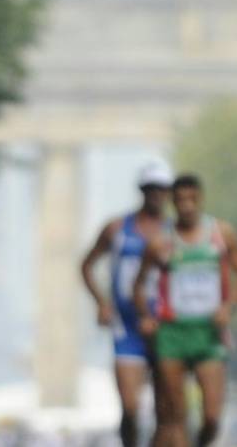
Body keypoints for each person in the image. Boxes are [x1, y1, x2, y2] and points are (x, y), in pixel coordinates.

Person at [135, 173, 237, 447]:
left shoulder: (221, 234)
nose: (187, 206)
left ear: (201, 199)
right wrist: (146, 317)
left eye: (192, 199)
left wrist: (229, 306)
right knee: (175, 416)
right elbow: (138, 285)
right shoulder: (160, 242)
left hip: (209, 333)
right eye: (180, 200)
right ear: (173, 203)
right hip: (172, 333)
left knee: (212, 417)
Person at [80, 160, 173, 447]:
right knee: (131, 408)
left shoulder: (175, 232)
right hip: (127, 327)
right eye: (150, 188)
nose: (156, 194)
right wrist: (101, 302)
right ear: (141, 190)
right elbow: (86, 265)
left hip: (166, 328)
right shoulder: (117, 229)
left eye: (162, 188)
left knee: (166, 411)